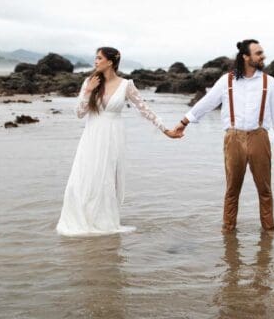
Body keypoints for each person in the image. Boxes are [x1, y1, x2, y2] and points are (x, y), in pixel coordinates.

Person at [57, 47, 181, 236]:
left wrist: (165, 130)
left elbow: (144, 109)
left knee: (106, 179)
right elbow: (79, 113)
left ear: (111, 62)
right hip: (92, 136)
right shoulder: (89, 83)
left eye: (99, 58)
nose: (95, 61)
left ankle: (104, 221)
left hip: (113, 136)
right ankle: (82, 219)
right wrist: (88, 91)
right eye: (95, 58)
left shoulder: (126, 85)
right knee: (84, 177)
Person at [168, 40, 274, 232]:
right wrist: (183, 123)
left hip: (259, 137)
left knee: (265, 191)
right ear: (246, 57)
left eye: (262, 52)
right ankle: (228, 233)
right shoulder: (227, 81)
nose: (263, 56)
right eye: (258, 53)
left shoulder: (269, 82)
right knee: (232, 190)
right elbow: (207, 103)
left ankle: (269, 233)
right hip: (233, 138)